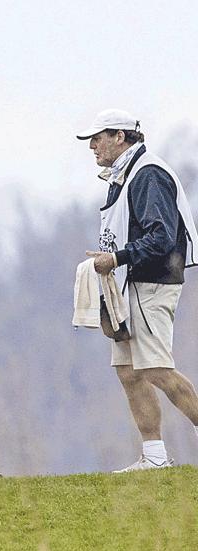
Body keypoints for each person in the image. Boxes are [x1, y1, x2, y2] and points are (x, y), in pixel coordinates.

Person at [77, 108, 198, 471]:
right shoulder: (127, 174)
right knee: (129, 371)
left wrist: (116, 258)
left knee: (156, 368)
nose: (92, 146)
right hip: (131, 284)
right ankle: (155, 456)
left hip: (152, 283)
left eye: (98, 138)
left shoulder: (147, 174)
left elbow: (161, 237)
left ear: (120, 137)